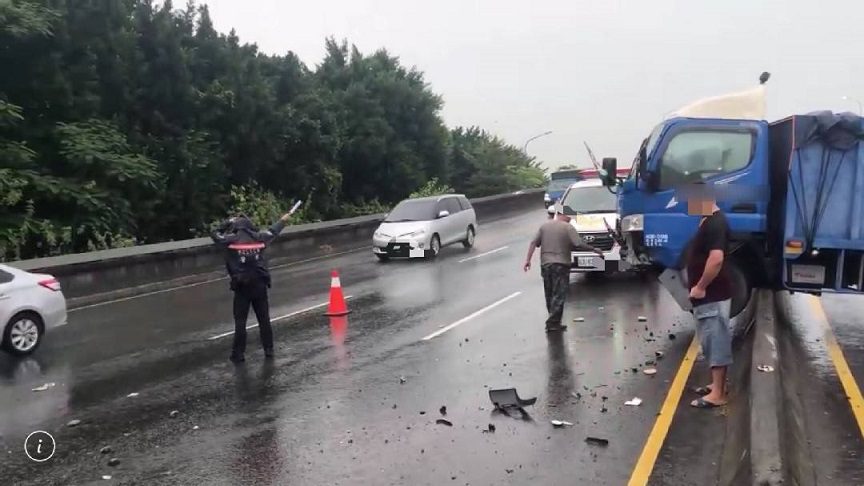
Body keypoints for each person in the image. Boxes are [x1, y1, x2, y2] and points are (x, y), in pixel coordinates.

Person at [212, 213, 292, 363]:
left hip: (242, 287)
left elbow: (215, 234)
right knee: (264, 319)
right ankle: (269, 350)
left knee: (240, 322)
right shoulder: (259, 238)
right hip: (260, 285)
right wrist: (282, 221)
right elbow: (273, 231)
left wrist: (227, 221)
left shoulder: (230, 241)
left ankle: (238, 354)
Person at [684, 183, 733, 408]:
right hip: (709, 295)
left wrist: (701, 286)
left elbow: (716, 259)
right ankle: (717, 385)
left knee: (716, 340)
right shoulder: (707, 220)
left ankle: (718, 395)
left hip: (712, 293)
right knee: (711, 339)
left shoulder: (715, 222)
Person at [523, 210, 605, 332]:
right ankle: (552, 322)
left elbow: (534, 242)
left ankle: (554, 321)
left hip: (546, 264)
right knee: (559, 293)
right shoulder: (568, 228)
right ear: (563, 215)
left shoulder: (544, 226)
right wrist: (594, 249)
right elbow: (578, 244)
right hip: (561, 264)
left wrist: (527, 260)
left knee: (549, 293)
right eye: (569, 216)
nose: (571, 219)